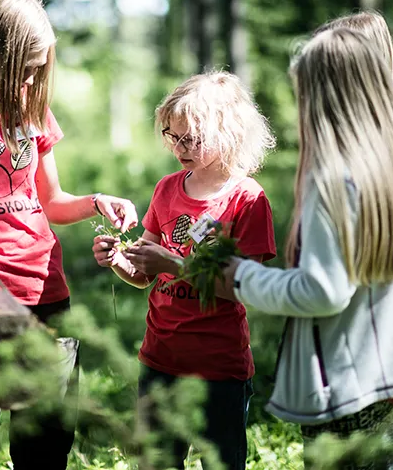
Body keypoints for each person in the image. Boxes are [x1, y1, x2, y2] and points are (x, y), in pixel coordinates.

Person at [216, 27, 393, 470]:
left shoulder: (335, 181)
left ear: (325, 97)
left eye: (304, 93)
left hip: (343, 378)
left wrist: (240, 275)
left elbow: (323, 291)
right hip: (387, 370)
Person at [0, 0, 139, 470]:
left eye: (38, 68)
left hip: (44, 290)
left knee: (46, 441)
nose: (30, 79)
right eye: (24, 67)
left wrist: (97, 202)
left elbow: (51, 201)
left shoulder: (30, 108)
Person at [92, 71, 277, 470]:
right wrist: (119, 259)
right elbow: (145, 273)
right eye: (172, 136)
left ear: (228, 133)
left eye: (191, 138)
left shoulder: (247, 199)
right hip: (160, 361)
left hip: (219, 369)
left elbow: (246, 287)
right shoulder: (166, 189)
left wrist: (174, 265)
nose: (179, 147)